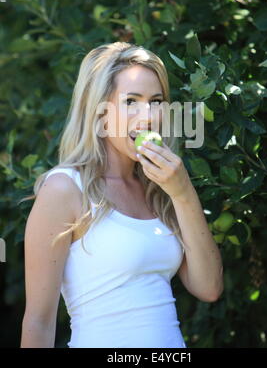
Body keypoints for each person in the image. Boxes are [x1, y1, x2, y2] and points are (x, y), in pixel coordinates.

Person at [20, 42, 223, 348]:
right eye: (131, 101)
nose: (150, 115)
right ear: (100, 113)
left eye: (156, 101)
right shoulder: (65, 189)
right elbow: (39, 322)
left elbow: (209, 287)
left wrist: (184, 194)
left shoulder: (159, 188)